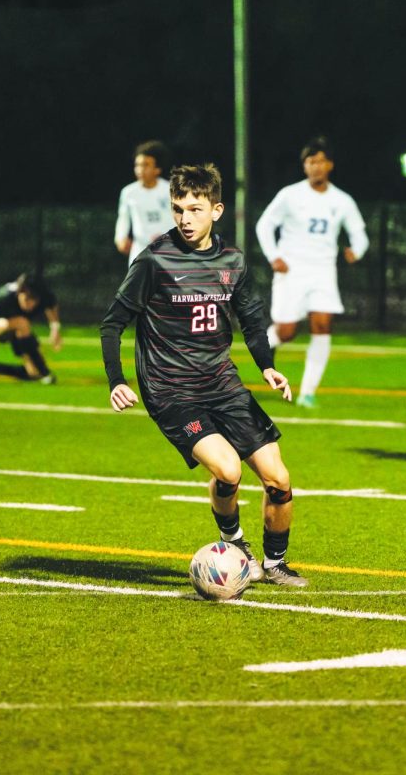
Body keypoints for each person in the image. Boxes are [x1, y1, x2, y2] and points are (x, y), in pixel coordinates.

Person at [101, 163, 307, 587]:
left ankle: (274, 565)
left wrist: (268, 366)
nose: (184, 219)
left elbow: (250, 319)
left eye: (194, 209)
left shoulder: (231, 260)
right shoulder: (154, 260)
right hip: (171, 391)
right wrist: (117, 380)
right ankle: (235, 544)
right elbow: (112, 323)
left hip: (222, 383)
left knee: (279, 479)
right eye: (178, 209)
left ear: (217, 210)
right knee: (228, 470)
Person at [255, 137, 368, 408]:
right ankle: (262, 350)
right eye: (310, 162)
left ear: (329, 164)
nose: (315, 167)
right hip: (292, 271)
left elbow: (359, 233)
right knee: (287, 331)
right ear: (304, 166)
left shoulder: (342, 200)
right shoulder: (290, 195)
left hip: (323, 272)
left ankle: (307, 393)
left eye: (320, 161)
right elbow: (264, 225)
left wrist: (357, 250)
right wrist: (274, 256)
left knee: (322, 325)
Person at [114, 140, 174, 267]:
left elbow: (180, 219)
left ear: (157, 169)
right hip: (140, 249)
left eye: (146, 165)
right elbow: (123, 218)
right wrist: (120, 238)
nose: (140, 169)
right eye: (138, 165)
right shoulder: (129, 192)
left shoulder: (170, 190)